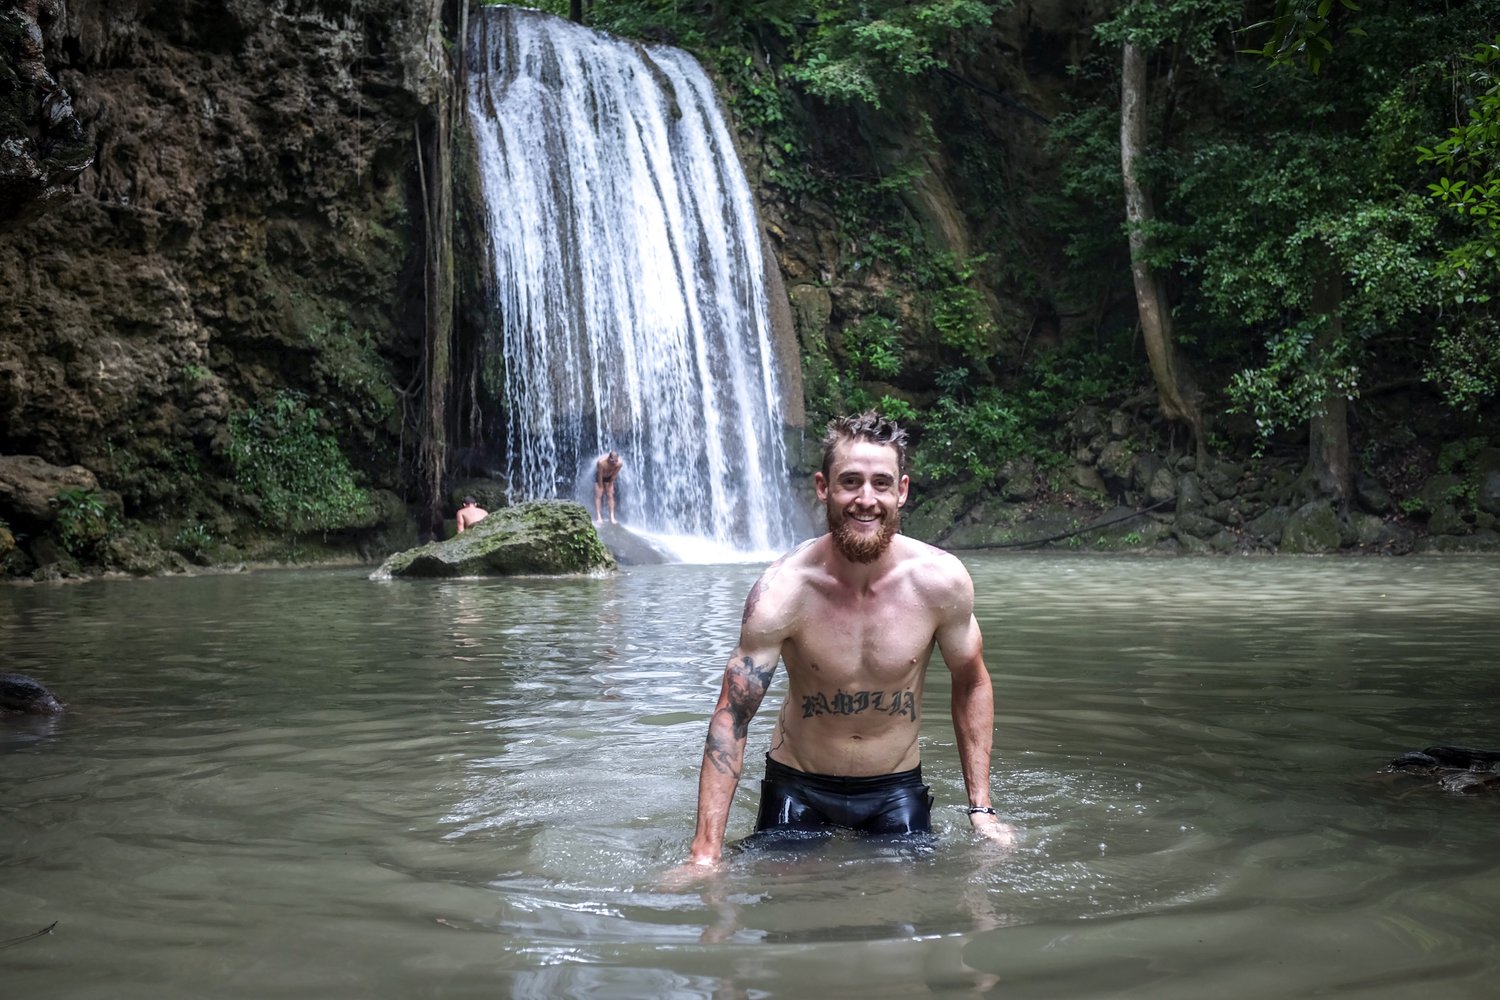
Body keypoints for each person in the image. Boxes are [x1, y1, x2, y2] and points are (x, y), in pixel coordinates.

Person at [687, 411, 1017, 867]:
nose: (866, 499)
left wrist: (981, 809)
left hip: (895, 789)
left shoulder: (940, 582)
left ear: (901, 491)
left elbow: (973, 681)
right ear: (824, 487)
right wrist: (705, 852)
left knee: (902, 926)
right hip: (797, 785)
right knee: (786, 922)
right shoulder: (782, 591)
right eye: (850, 482)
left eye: (881, 483)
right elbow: (732, 715)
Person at [594, 450, 624, 524]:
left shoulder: (619, 464)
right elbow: (600, 475)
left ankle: (612, 516)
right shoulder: (601, 463)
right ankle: (598, 516)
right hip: (599, 477)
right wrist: (601, 486)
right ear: (609, 458)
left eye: (616, 461)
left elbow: (614, 475)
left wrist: (610, 484)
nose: (614, 463)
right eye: (613, 461)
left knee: (610, 494)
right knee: (599, 494)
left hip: (609, 477)